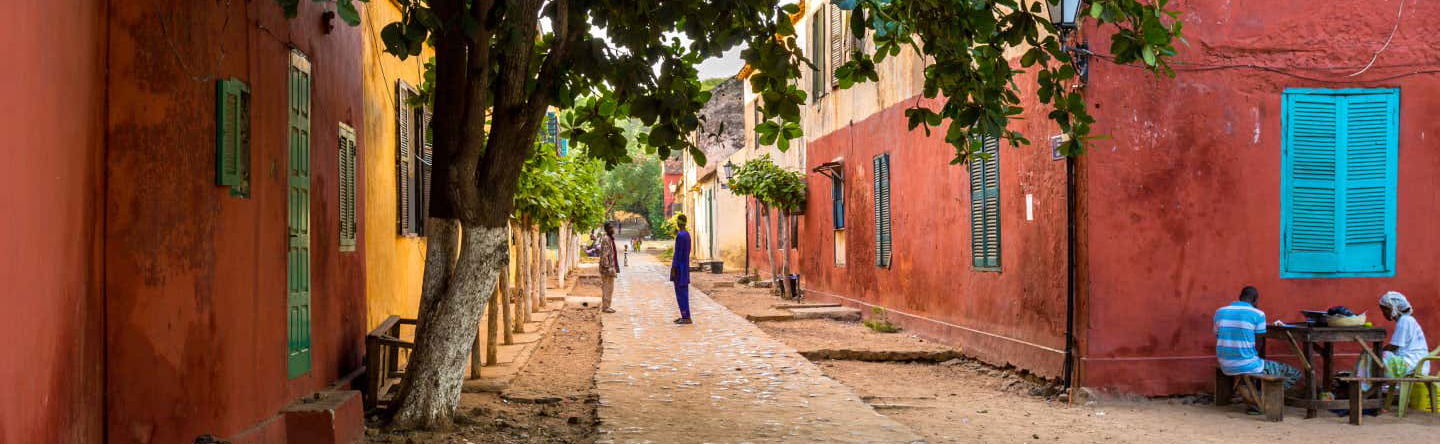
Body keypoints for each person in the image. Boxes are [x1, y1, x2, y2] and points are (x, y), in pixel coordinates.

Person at [1215, 286, 1302, 390]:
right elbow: (1259, 344)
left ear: (1240, 297)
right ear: (1255, 299)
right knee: (1295, 373)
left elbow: (1218, 335)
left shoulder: (1219, 312)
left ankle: (1254, 393)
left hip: (1224, 364)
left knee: (1257, 363)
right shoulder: (1258, 314)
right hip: (1247, 365)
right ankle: (1264, 398)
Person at [1360, 291, 1429, 381]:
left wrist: (1376, 352)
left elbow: (1393, 346)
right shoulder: (1407, 320)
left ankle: (1365, 385)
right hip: (1415, 362)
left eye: (1385, 309)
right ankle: (1367, 384)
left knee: (1370, 356)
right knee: (1372, 355)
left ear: (1394, 307)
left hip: (1411, 363)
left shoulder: (1404, 321)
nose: (1383, 313)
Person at [670, 214, 692, 324]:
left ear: (679, 223)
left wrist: (673, 267)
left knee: (680, 293)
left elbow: (677, 254)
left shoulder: (680, 235)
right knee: (684, 292)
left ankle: (685, 316)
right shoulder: (687, 235)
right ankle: (685, 315)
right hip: (685, 266)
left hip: (679, 268)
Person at [598, 222, 619, 313]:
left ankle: (607, 306)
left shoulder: (610, 239)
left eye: (613, 227)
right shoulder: (606, 239)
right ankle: (605, 307)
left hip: (610, 267)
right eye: (610, 228)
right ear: (607, 229)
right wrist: (608, 267)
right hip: (607, 269)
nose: (612, 229)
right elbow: (604, 255)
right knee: (607, 287)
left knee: (610, 287)